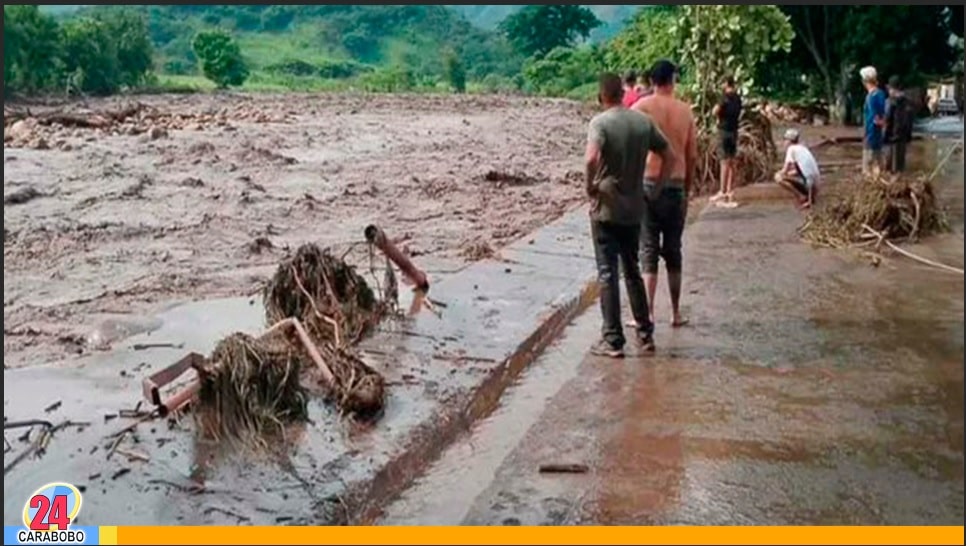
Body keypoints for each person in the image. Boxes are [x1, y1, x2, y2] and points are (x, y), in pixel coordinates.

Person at [585, 72, 676, 358]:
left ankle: (613, 340)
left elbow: (590, 158)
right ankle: (645, 335)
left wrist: (591, 187)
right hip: (635, 207)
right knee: (632, 269)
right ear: (623, 94)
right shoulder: (641, 122)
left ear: (601, 97)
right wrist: (657, 188)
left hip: (606, 207)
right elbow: (669, 155)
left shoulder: (599, 123)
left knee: (607, 273)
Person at [631, 59, 696, 328]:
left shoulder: (640, 108)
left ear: (652, 81)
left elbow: (630, 148)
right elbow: (692, 155)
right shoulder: (686, 111)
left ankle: (647, 314)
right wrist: (688, 189)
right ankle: (676, 312)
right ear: (673, 80)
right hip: (676, 185)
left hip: (647, 183)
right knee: (673, 251)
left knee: (647, 249)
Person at [711, 76, 742, 207]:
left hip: (723, 131)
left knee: (724, 162)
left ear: (726, 83)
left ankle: (723, 192)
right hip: (734, 130)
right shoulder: (738, 98)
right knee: (732, 161)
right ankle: (730, 190)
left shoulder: (724, 97)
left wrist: (718, 118)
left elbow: (715, 111)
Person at [773, 128, 821, 210]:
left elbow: (785, 170)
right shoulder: (803, 148)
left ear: (789, 141)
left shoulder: (791, 149)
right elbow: (800, 170)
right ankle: (809, 197)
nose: (784, 142)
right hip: (815, 186)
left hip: (808, 185)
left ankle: (800, 196)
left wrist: (779, 173)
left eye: (785, 140)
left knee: (778, 178)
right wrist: (789, 174)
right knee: (788, 175)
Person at [860, 66, 887, 176]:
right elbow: (883, 114)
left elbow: (875, 118)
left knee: (867, 167)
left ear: (865, 81)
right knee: (878, 162)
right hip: (879, 134)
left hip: (870, 132)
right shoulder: (881, 93)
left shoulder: (870, 97)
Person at [884, 75, 914, 173]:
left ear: (892, 89)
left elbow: (887, 121)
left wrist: (884, 138)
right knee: (900, 168)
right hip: (903, 139)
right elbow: (910, 123)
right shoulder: (908, 103)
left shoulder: (890, 102)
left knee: (889, 169)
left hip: (892, 139)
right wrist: (908, 138)